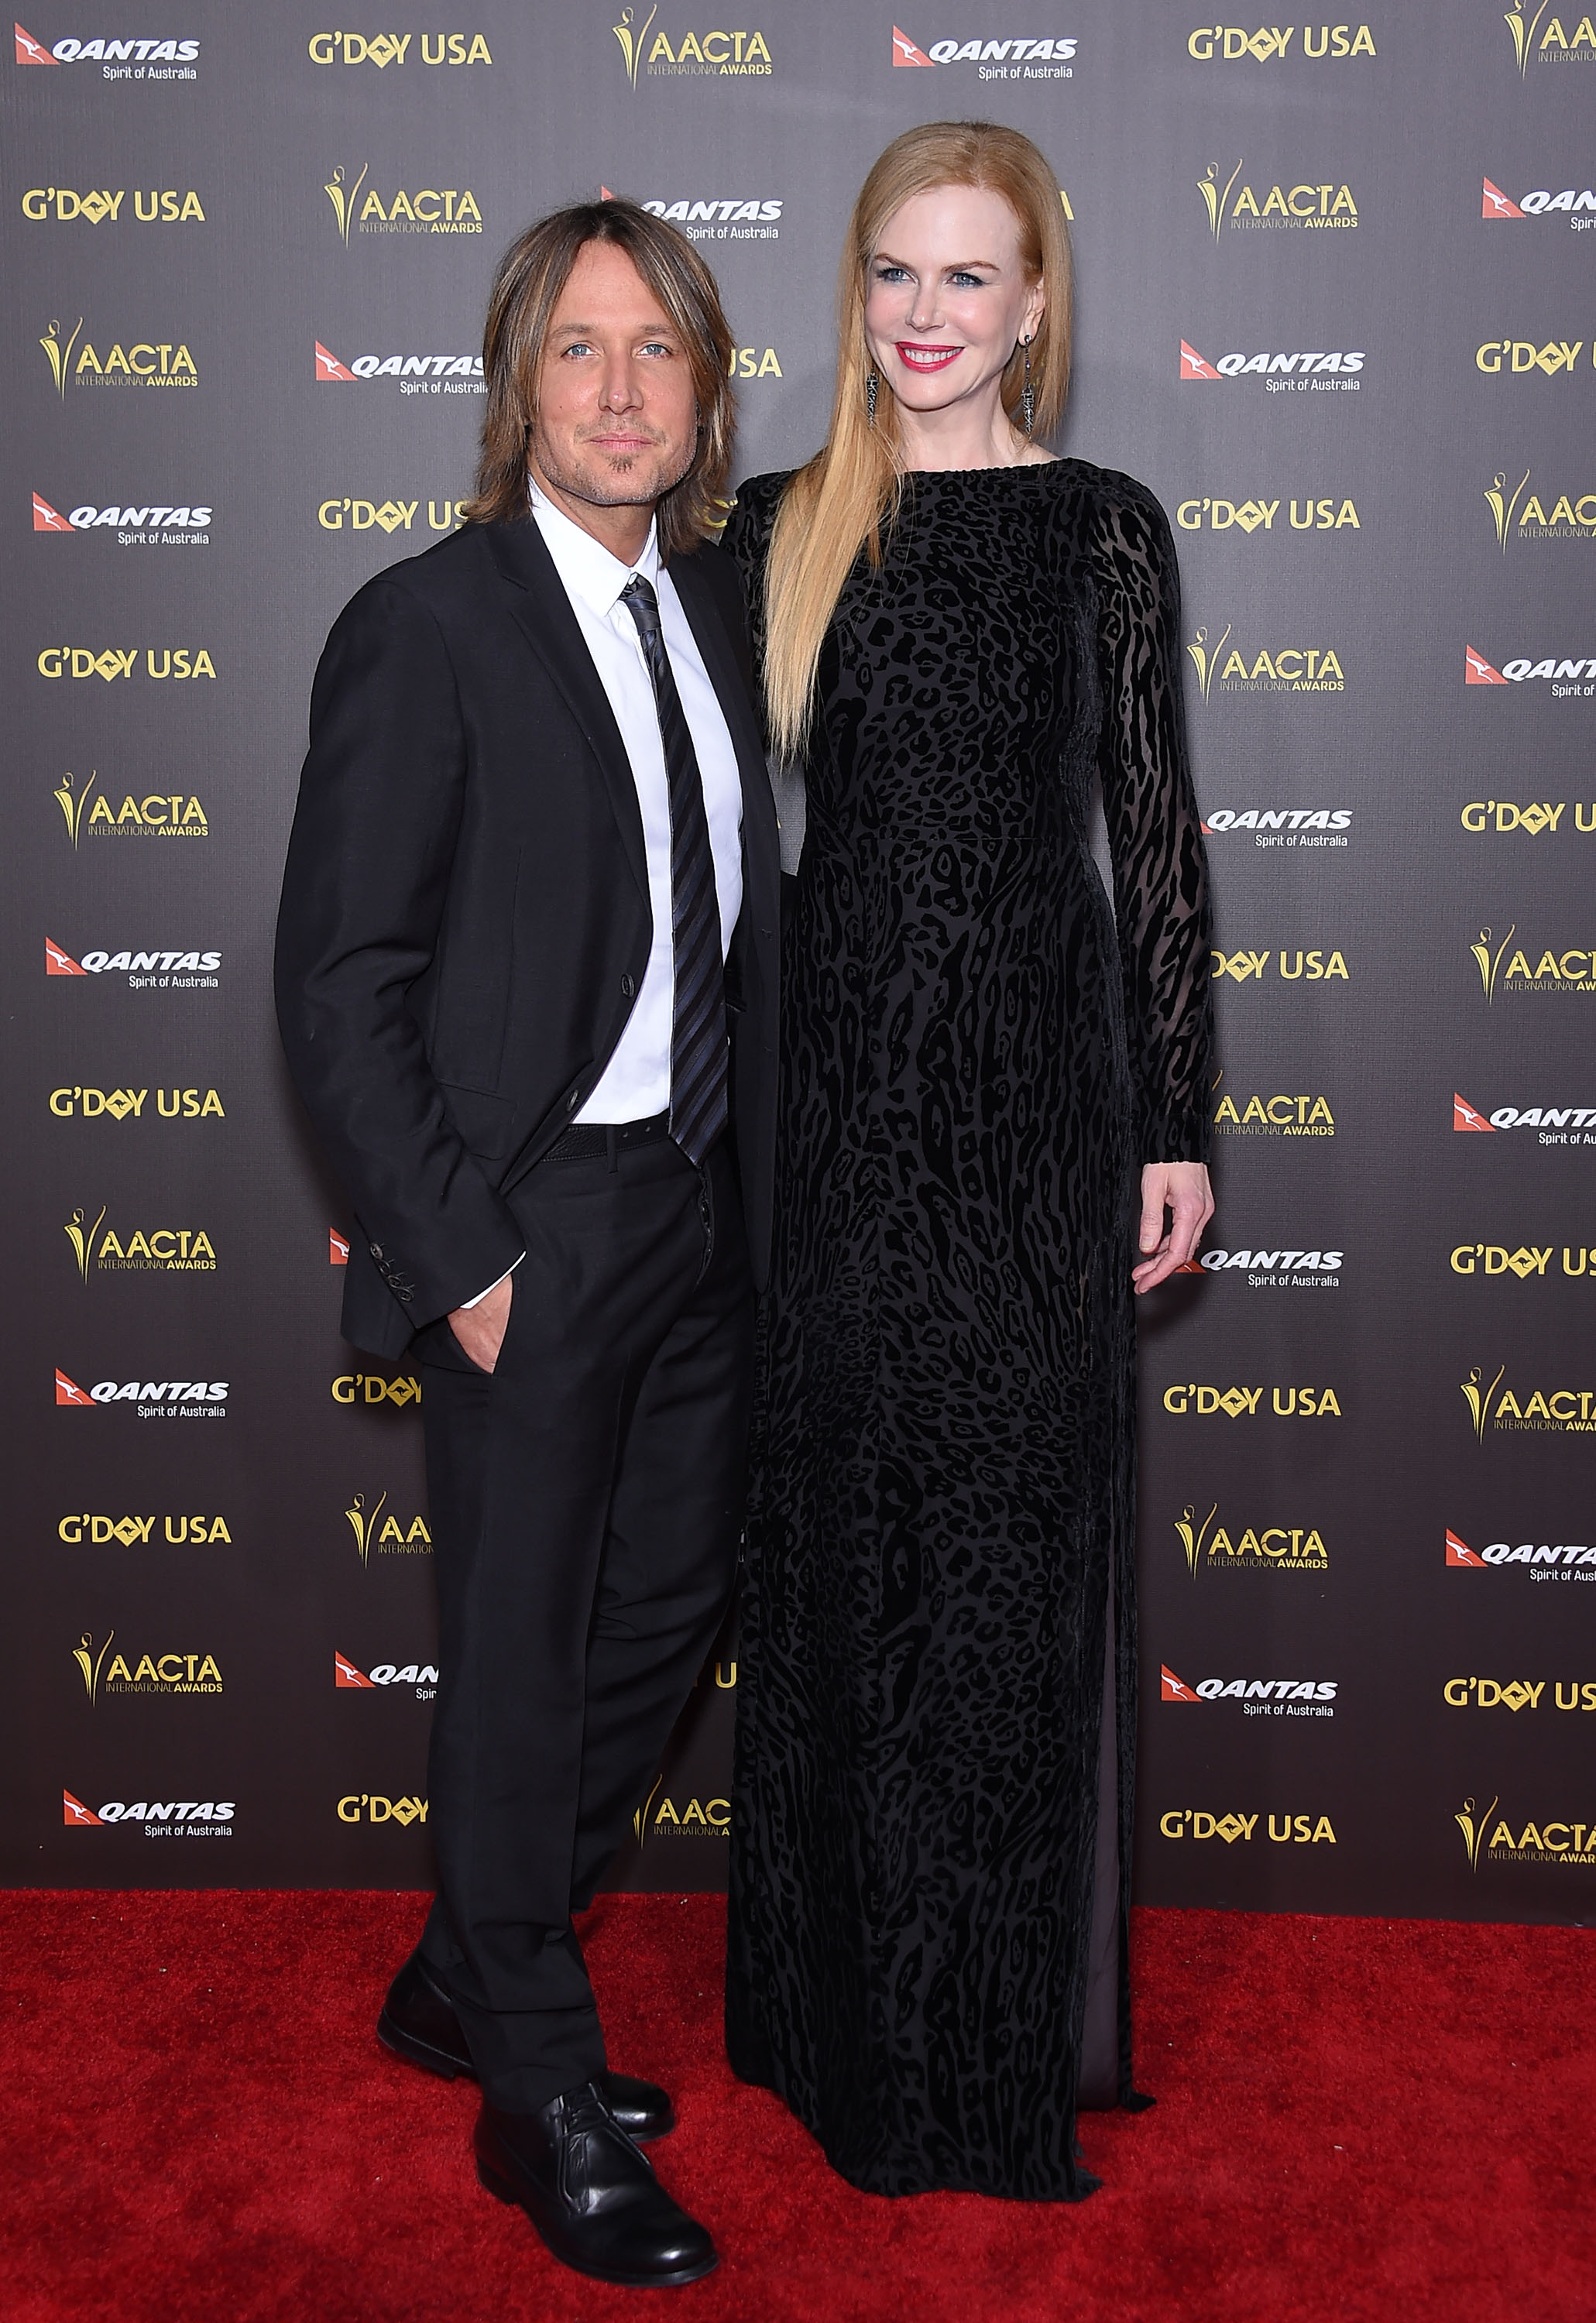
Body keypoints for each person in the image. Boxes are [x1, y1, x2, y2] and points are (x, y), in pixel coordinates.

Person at [275, 199, 779, 2287]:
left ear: (706, 388)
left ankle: (469, 1973)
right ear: (517, 383)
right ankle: (538, 2094)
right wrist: (464, 1259)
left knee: (665, 1612)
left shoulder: (723, 610)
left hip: (703, 1199)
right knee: (513, 1661)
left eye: (659, 349)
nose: (621, 389)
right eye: (580, 347)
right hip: (532, 1226)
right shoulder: (429, 623)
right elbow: (341, 983)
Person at [720, 121, 1214, 2201]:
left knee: (1007, 1583)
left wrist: (1176, 1120)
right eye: (895, 273)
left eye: (968, 277)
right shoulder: (776, 524)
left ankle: (996, 2042)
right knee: (851, 1561)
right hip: (834, 1122)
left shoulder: (1101, 529)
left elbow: (1155, 835)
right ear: (859, 298)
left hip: (1033, 1111)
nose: (926, 314)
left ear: (1032, 309)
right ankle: (840, 2024)